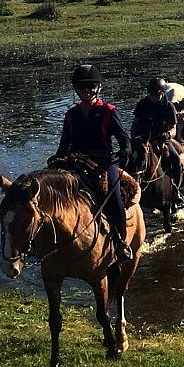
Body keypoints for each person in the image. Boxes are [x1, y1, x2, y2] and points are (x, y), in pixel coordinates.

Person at [54, 64, 133, 261]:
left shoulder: (108, 111)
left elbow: (124, 140)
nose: (86, 91)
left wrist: (125, 151)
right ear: (76, 90)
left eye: (90, 87)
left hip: (104, 162)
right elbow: (64, 145)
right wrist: (55, 162)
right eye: (82, 88)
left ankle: (121, 242)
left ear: (98, 87)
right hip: (76, 162)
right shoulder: (70, 115)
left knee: (113, 197)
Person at [131, 78, 184, 203]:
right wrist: (133, 139)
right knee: (128, 159)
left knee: (176, 160)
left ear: (162, 93)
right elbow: (135, 123)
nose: (153, 97)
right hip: (143, 140)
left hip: (161, 139)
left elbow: (173, 129)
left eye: (156, 94)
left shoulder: (169, 107)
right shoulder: (142, 103)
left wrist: (167, 135)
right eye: (151, 94)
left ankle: (176, 190)